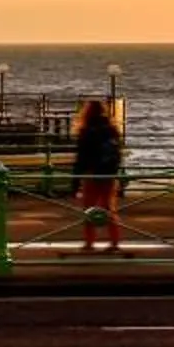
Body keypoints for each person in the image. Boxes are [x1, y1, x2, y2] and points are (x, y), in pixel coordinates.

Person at [71, 97, 124, 253]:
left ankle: (89, 242)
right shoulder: (112, 130)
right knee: (109, 208)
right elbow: (118, 154)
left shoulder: (86, 131)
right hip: (109, 174)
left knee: (89, 209)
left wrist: (75, 183)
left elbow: (81, 158)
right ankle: (114, 242)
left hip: (92, 173)